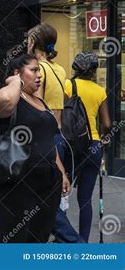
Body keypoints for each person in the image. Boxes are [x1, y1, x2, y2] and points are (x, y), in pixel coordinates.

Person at [0, 53, 71, 243]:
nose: (39, 75)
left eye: (39, 70)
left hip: (47, 183)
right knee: (13, 239)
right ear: (17, 73)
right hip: (16, 183)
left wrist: (62, 172)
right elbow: (6, 102)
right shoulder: (8, 97)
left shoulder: (39, 101)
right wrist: (14, 82)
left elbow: (48, 139)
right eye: (34, 70)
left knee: (38, 238)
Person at [26, 23, 84, 243]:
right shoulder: (58, 68)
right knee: (52, 198)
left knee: (43, 201)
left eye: (29, 38)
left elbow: (37, 104)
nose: (26, 42)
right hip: (60, 137)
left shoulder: (37, 69)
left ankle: (75, 243)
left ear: (35, 41)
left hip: (45, 141)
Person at [64, 52, 111, 242]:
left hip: (73, 145)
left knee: (62, 195)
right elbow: (107, 124)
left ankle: (64, 238)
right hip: (93, 145)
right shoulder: (100, 91)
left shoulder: (68, 85)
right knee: (85, 200)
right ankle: (83, 240)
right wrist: (103, 139)